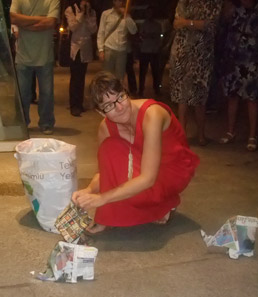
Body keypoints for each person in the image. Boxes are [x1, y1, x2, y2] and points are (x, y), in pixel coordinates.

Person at [72, 71, 199, 233]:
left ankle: (164, 202)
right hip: (144, 164)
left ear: (126, 92)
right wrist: (90, 190)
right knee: (109, 148)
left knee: (136, 193)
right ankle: (119, 213)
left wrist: (102, 199)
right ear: (100, 112)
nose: (119, 107)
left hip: (171, 171)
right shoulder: (106, 127)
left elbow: (148, 178)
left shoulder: (152, 114)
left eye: (120, 97)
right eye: (109, 105)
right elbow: (105, 171)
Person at [169, 0, 223, 145]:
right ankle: (182, 134)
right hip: (181, 52)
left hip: (201, 54)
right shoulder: (183, 2)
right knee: (182, 95)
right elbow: (176, 23)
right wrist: (194, 23)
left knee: (200, 93)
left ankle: (200, 134)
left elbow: (211, 25)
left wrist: (187, 22)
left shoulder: (213, 3)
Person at [219, 0, 258, 151]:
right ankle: (230, 131)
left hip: (252, 59)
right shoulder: (235, 7)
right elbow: (224, 21)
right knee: (232, 95)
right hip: (233, 58)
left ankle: (252, 135)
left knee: (252, 97)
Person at [10, 0, 60, 135]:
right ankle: (22, 122)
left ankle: (46, 123)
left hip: (45, 56)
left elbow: (51, 22)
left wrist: (24, 23)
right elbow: (12, 17)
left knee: (47, 94)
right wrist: (41, 19)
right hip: (23, 56)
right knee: (22, 95)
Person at [65, 0, 97, 117]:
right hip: (75, 49)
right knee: (75, 78)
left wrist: (87, 14)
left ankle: (80, 103)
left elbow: (93, 29)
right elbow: (73, 27)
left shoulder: (92, 12)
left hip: (86, 49)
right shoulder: (71, 10)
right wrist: (81, 14)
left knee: (82, 77)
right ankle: (74, 105)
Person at [97, 0, 137, 81]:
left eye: (122, 1)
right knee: (107, 77)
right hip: (109, 48)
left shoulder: (126, 16)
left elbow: (134, 31)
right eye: (118, 1)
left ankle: (117, 93)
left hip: (122, 50)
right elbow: (101, 32)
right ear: (114, 2)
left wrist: (127, 16)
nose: (120, 3)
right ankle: (106, 93)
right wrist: (101, 50)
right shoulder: (106, 14)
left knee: (120, 78)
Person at [138, 6, 162, 97]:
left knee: (155, 72)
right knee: (142, 72)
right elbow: (141, 36)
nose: (149, 14)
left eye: (151, 12)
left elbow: (158, 37)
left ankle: (156, 89)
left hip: (154, 51)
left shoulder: (157, 25)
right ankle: (141, 90)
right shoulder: (143, 24)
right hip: (144, 50)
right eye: (148, 13)